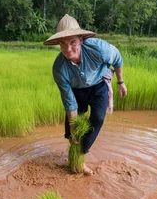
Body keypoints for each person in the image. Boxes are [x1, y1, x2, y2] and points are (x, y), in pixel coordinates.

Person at [44, 14, 128, 175]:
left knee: (97, 119)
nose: (68, 49)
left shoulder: (98, 49)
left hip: (98, 86)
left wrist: (120, 82)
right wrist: (74, 131)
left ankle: (80, 158)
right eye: (63, 44)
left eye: (73, 42)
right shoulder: (59, 68)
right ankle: (74, 158)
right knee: (72, 129)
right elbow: (70, 103)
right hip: (77, 91)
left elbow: (117, 59)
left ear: (81, 39)